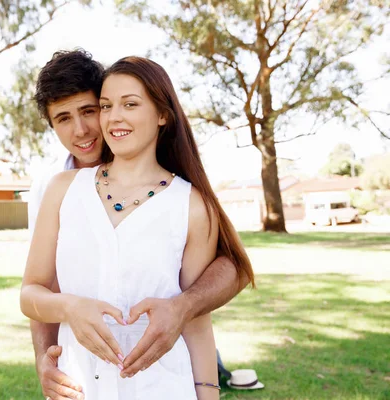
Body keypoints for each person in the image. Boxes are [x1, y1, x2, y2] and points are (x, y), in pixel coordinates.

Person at [21, 55, 254, 399]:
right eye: (64, 118)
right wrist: (47, 356)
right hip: (83, 382)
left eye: (89, 110)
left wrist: (183, 309)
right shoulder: (55, 188)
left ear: (161, 114)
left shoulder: (188, 202)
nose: (83, 129)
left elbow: (221, 278)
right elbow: (37, 287)